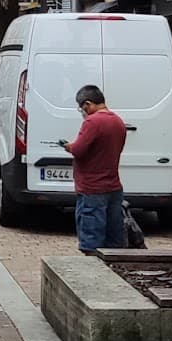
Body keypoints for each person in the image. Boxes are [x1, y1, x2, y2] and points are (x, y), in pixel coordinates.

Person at [64, 83, 128, 254]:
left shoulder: (92, 122)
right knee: (114, 236)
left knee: (91, 237)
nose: (82, 112)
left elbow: (79, 150)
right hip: (113, 186)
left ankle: (94, 272)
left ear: (88, 104)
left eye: (82, 108)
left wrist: (69, 146)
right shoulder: (118, 121)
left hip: (92, 187)